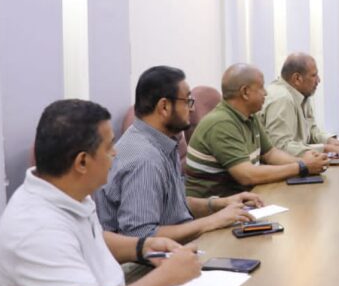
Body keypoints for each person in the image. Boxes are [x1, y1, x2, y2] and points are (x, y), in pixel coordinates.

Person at [0, 99, 201, 286]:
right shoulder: (36, 228)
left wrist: (143, 246)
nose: (116, 154)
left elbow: (89, 239)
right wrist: (167, 276)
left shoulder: (67, 192)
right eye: (110, 146)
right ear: (82, 162)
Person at [95, 66, 261, 244]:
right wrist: (212, 221)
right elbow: (141, 235)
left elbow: (174, 205)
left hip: (172, 250)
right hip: (144, 266)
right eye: (187, 101)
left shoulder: (162, 141)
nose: (191, 109)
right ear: (164, 106)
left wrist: (220, 204)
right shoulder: (145, 159)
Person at [185, 63, 329, 198]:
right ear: (245, 92)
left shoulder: (250, 115)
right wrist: (302, 166)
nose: (265, 93)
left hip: (243, 199)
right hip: (217, 210)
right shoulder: (221, 123)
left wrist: (305, 162)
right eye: (261, 87)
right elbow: (247, 175)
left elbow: (270, 154)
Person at [259, 53, 339, 156]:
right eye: (314, 75)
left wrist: (330, 141)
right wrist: (325, 149)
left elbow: (310, 132)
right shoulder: (282, 98)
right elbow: (280, 147)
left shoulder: (301, 93)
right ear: (297, 78)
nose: (318, 80)